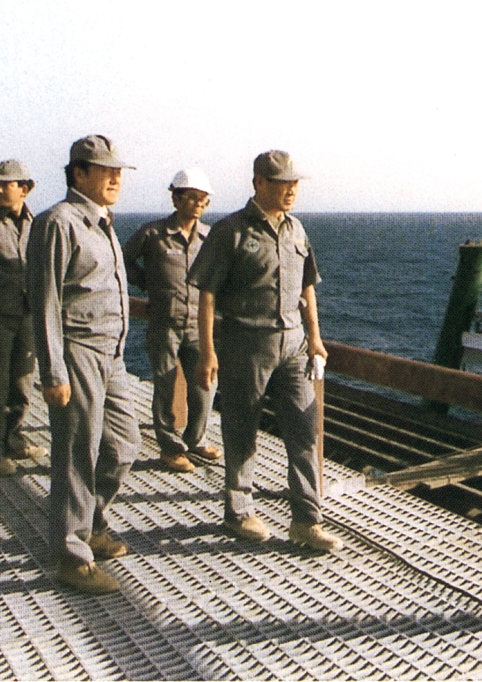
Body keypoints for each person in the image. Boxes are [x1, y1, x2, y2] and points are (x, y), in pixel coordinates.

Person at [188, 150, 342, 552]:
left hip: (294, 346)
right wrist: (208, 352)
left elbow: (308, 285)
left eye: (294, 183)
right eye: (281, 183)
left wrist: (316, 337)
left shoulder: (297, 230)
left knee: (304, 430)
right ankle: (239, 511)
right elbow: (206, 295)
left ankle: (307, 521)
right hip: (246, 344)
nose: (291, 190)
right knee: (242, 429)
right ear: (259, 183)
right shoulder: (231, 231)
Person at [27, 135, 141, 594]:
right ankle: (71, 556)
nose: (115, 178)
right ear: (78, 174)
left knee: (124, 445)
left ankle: (92, 523)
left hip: (110, 355)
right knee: (77, 454)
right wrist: (53, 373)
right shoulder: (58, 222)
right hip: (77, 352)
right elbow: (46, 300)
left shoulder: (102, 223)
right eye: (105, 170)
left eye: (119, 171)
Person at [123, 168, 221, 472]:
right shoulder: (153, 233)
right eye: (191, 198)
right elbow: (123, 259)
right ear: (175, 198)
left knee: (205, 384)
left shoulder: (210, 237)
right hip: (164, 324)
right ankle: (169, 448)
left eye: (203, 200)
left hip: (198, 325)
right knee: (165, 385)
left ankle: (196, 440)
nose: (197, 205)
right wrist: (146, 283)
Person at [0, 160, 47, 477]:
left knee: (22, 384)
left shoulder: (39, 225)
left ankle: (13, 440)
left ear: (25, 189)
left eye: (7, 184)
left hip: (28, 315)